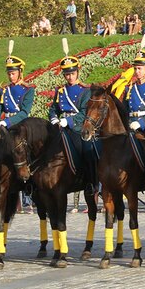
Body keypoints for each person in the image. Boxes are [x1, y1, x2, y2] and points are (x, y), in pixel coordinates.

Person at [49, 53, 98, 195]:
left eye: (72, 73)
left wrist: (68, 121)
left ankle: (91, 182)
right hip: (60, 128)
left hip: (77, 128)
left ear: (77, 72)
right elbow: (54, 109)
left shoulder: (85, 90)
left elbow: (84, 112)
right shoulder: (61, 91)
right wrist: (54, 119)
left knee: (86, 150)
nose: (70, 77)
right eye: (67, 74)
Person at [0, 52, 34, 128]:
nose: (11, 76)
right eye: (9, 74)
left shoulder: (28, 90)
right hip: (4, 123)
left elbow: (24, 112)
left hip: (21, 125)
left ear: (20, 72)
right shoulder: (5, 89)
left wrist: (7, 122)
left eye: (13, 74)